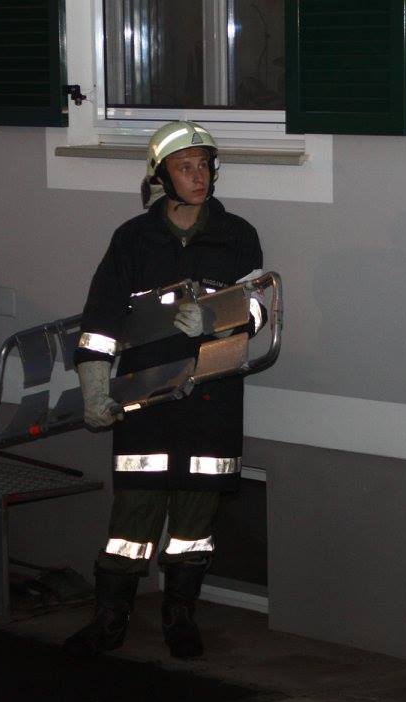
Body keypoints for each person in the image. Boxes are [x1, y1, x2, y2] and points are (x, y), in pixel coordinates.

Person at [65, 120, 263, 659]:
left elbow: (258, 309)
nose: (198, 177)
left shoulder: (238, 235)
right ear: (161, 176)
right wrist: (94, 387)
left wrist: (216, 317)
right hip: (145, 403)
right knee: (131, 522)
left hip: (210, 402)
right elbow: (100, 320)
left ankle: (180, 619)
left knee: (194, 526)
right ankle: (110, 621)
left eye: (204, 166)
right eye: (185, 167)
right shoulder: (133, 239)